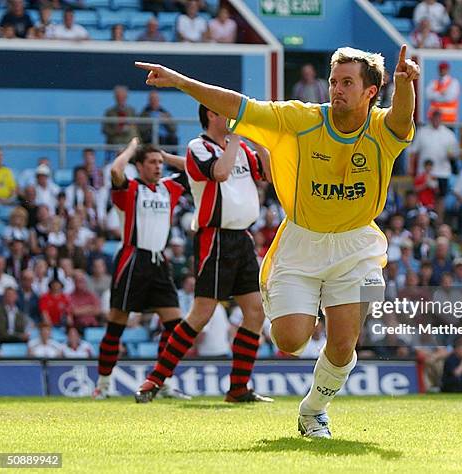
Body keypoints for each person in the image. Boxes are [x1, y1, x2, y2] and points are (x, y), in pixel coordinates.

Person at [133, 42, 419, 437]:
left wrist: (405, 85)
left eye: (347, 82)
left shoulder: (381, 130)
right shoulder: (300, 118)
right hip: (301, 240)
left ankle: (313, 411)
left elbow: (403, 119)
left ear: (371, 92)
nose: (336, 89)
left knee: (342, 345)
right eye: (333, 81)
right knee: (290, 340)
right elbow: (239, 105)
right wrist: (180, 81)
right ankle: (291, 299)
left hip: (356, 245)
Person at [135, 103, 273, 404]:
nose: (233, 117)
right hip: (216, 237)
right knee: (202, 313)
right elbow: (220, 173)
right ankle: (155, 379)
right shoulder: (198, 146)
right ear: (212, 114)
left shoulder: (241, 149)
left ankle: (238, 388)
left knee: (255, 312)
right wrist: (236, 137)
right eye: (227, 111)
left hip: (243, 238)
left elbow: (270, 175)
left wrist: (258, 140)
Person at [92, 138, 188, 400]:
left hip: (159, 261)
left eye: (159, 163)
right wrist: (133, 148)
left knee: (174, 327)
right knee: (116, 325)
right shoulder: (130, 189)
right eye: (152, 162)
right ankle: (103, 385)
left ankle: (163, 381)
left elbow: (195, 168)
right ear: (140, 166)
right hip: (132, 259)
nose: (158, 167)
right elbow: (115, 171)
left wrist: (166, 156)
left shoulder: (170, 187)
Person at [102, 86, 139, 150]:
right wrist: (116, 131)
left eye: (123, 97)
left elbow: (137, 126)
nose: (121, 99)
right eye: (118, 97)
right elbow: (105, 129)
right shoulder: (109, 112)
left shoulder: (132, 111)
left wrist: (130, 126)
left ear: (126, 97)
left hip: (130, 139)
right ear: (115, 98)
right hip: (115, 141)